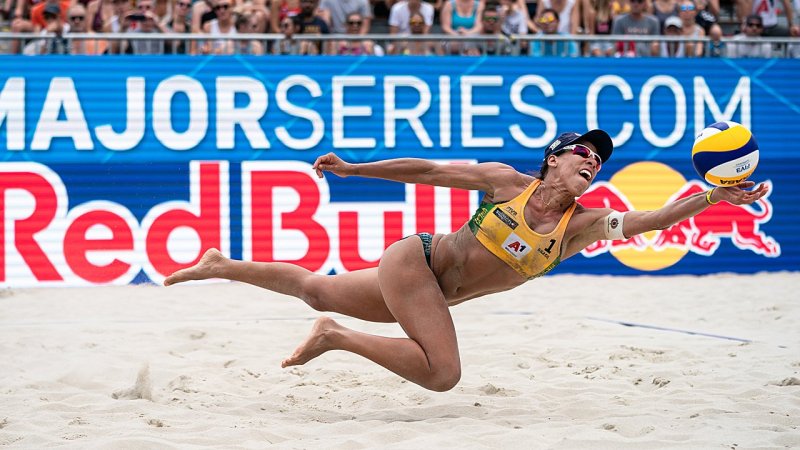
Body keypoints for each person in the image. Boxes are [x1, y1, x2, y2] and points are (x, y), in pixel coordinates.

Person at [163, 129, 769, 392]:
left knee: (317, 289)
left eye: (598, 162)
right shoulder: (506, 184)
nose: (592, 162)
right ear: (552, 160)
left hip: (435, 293)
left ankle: (222, 263)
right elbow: (426, 172)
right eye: (582, 152)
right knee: (442, 373)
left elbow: (656, 218)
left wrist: (715, 195)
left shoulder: (581, 227)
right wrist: (353, 168)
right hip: (415, 262)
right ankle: (336, 339)